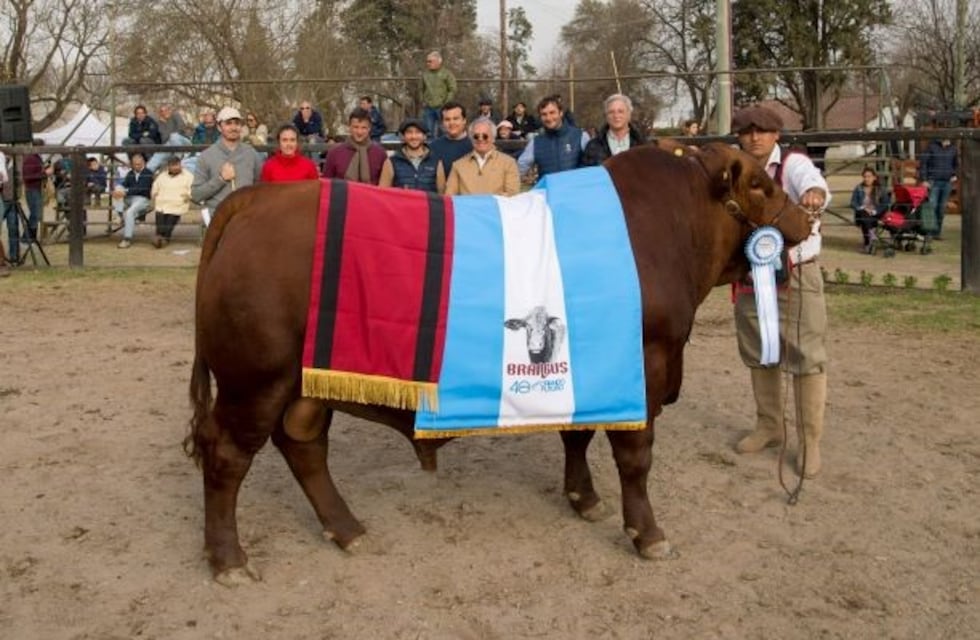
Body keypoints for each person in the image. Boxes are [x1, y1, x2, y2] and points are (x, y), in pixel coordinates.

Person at [730, 105, 831, 479]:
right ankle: (769, 425)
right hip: (750, 275)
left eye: (762, 130)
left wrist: (815, 195)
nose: (754, 137)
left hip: (797, 272)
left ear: (776, 135)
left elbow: (813, 182)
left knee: (807, 354)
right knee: (759, 351)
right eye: (747, 131)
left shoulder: (793, 165)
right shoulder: (735, 171)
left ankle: (809, 442)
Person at [191, 106, 263, 218]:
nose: (233, 127)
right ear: (219, 127)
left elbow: (260, 187)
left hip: (246, 220)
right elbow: (196, 195)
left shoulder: (251, 154)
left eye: (237, 123)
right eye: (228, 123)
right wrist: (221, 179)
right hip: (217, 220)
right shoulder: (206, 156)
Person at [517, 95, 590, 181]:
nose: (548, 118)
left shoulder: (581, 136)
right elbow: (519, 168)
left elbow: (592, 168)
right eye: (544, 114)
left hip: (575, 191)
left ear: (561, 113)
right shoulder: (536, 142)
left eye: (552, 112)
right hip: (548, 192)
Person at [444, 117, 520, 196]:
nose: (480, 139)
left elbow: (512, 196)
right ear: (471, 139)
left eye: (485, 136)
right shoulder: (458, 165)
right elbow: (449, 197)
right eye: (476, 136)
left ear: (493, 138)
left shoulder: (509, 163)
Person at [321, 107, 387, 184]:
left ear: (369, 129)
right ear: (349, 127)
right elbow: (326, 183)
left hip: (370, 195)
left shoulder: (380, 153)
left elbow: (385, 186)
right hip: (343, 195)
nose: (359, 132)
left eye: (364, 128)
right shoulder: (334, 153)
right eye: (356, 127)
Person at [378, 118, 445, 193]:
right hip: (401, 204)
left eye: (418, 132)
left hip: (428, 204)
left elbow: (442, 195)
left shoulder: (436, 161)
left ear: (424, 136)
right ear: (403, 137)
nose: (413, 136)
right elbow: (382, 193)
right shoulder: (391, 162)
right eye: (409, 132)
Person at [582, 93, 647, 166]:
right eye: (611, 112)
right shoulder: (593, 146)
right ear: (606, 116)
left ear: (629, 114)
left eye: (620, 111)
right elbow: (587, 174)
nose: (616, 116)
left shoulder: (643, 144)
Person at [150, 156, 193, 248]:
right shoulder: (162, 176)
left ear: (180, 165)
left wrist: (188, 195)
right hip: (161, 204)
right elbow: (155, 186)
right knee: (160, 223)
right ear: (168, 166)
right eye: (172, 166)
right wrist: (154, 193)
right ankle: (159, 237)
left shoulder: (188, 176)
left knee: (169, 224)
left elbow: (192, 189)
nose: (175, 168)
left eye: (177, 165)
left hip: (177, 204)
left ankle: (163, 239)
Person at [112, 152, 154, 249]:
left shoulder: (148, 173)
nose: (136, 166)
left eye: (139, 164)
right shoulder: (130, 173)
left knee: (130, 212)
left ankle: (127, 239)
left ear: (143, 162)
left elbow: (142, 188)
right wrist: (118, 189)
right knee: (118, 188)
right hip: (130, 198)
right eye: (134, 164)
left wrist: (125, 192)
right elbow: (124, 184)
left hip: (142, 199)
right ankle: (118, 214)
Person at [919, 137, 958, 239]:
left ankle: (937, 233)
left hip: (946, 182)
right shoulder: (932, 147)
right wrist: (924, 179)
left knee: (941, 209)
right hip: (934, 182)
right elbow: (924, 163)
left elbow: (956, 163)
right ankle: (929, 232)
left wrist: (954, 174)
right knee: (932, 207)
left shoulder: (953, 149)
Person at [850, 166, 889, 251]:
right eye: (865, 177)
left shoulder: (880, 189)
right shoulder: (859, 188)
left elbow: (885, 204)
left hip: (876, 214)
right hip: (862, 213)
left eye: (869, 176)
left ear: (874, 177)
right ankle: (871, 237)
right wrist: (863, 207)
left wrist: (874, 211)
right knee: (864, 215)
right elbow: (853, 203)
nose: (867, 179)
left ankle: (868, 242)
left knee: (866, 219)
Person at [420, 51, 457, 137]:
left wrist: (446, 103)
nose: (428, 63)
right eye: (427, 61)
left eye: (430, 61)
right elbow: (421, 89)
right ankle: (430, 149)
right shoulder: (424, 75)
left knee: (444, 130)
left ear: (438, 62)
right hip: (428, 107)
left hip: (442, 107)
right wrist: (423, 101)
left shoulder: (447, 74)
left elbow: (452, 89)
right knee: (428, 131)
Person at [427, 102, 473, 171]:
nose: (451, 123)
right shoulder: (433, 147)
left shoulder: (475, 145)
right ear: (442, 123)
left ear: (464, 120)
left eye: (456, 118)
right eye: (447, 119)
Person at [148, 103, 191, 172]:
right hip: (169, 145)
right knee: (155, 158)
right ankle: (146, 173)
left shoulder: (176, 115)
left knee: (174, 136)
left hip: (183, 142)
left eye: (167, 110)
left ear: (170, 110)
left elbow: (180, 129)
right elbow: (164, 138)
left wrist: (169, 132)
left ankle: (177, 158)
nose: (165, 112)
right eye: (162, 111)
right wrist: (163, 123)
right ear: (160, 113)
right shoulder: (159, 123)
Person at [21, 139, 46, 243]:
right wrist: (44, 174)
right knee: (35, 214)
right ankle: (28, 237)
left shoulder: (36, 158)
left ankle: (30, 236)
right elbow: (28, 176)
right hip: (32, 189)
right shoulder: (31, 159)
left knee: (36, 213)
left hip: (35, 188)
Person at [0, 150, 18, 264]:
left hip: (11, 199)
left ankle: (13, 257)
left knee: (13, 228)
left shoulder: (14, 165)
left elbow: (5, 178)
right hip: (4, 197)